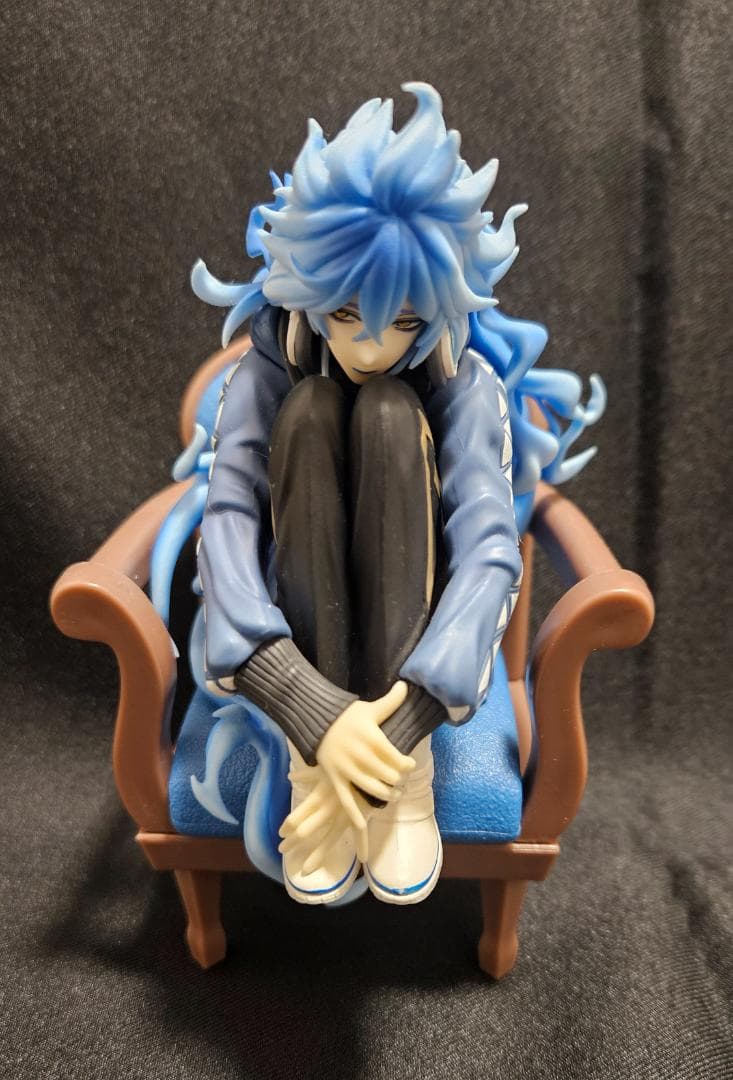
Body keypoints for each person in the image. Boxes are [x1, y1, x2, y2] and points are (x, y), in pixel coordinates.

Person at [192, 82, 604, 906]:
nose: (373, 344)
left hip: (410, 644)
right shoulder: (270, 369)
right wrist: (312, 715)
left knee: (386, 411)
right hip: (299, 627)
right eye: (347, 313)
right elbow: (228, 518)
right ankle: (315, 767)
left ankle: (394, 780)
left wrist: (393, 728)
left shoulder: (462, 382)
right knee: (312, 409)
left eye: (404, 321)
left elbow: (488, 551)